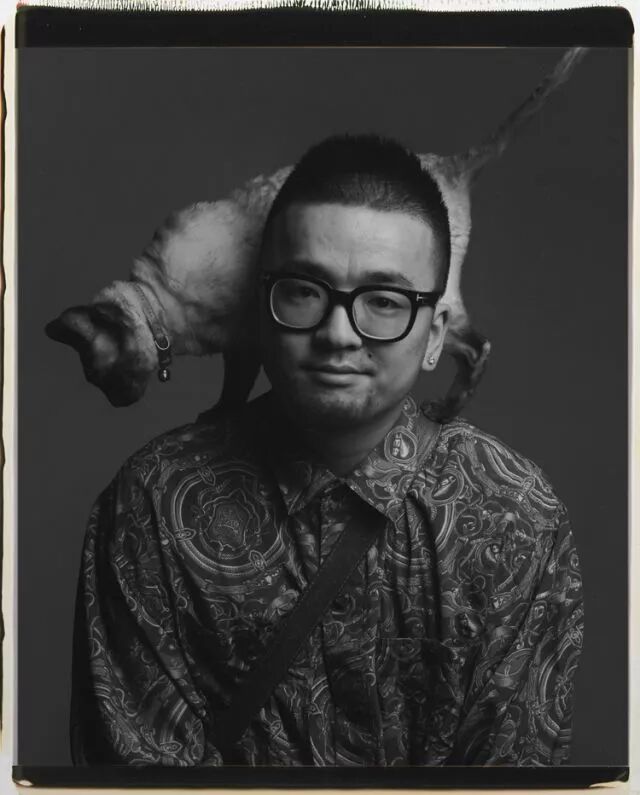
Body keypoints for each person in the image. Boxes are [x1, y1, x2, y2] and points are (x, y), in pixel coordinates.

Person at [70, 134, 584, 767]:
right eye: (304, 291)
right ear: (260, 307)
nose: (338, 334)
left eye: (385, 301)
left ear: (436, 335)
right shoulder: (150, 506)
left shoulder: (516, 516)